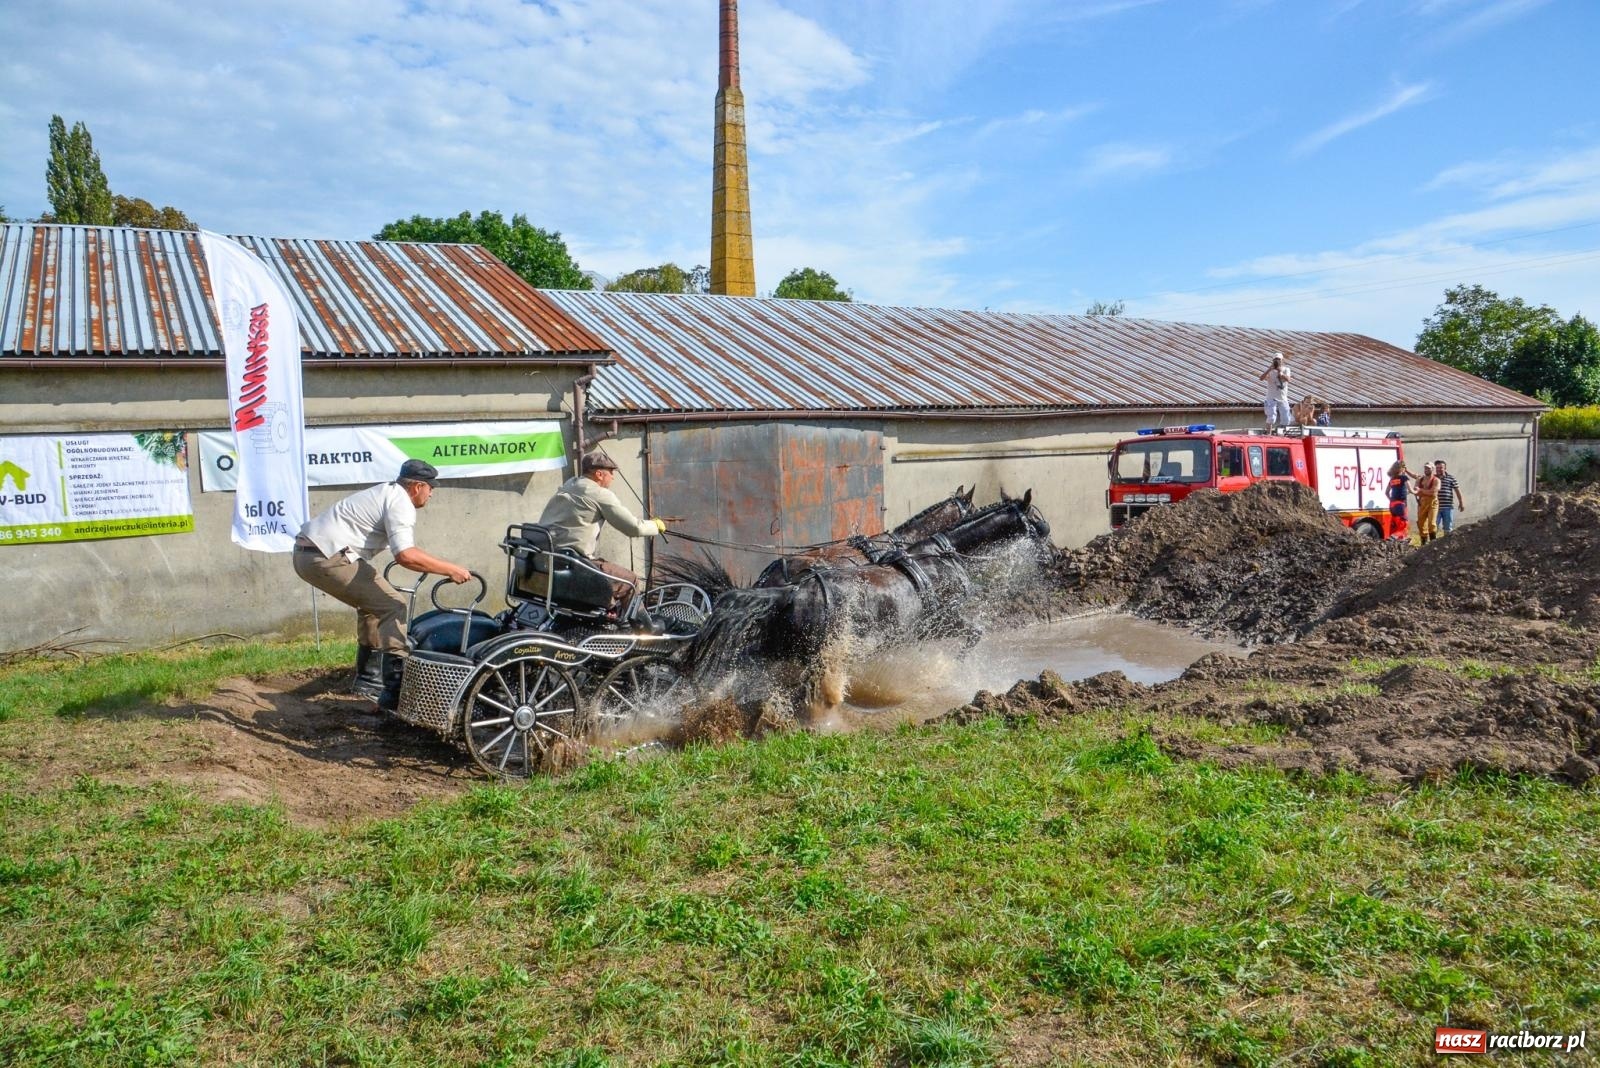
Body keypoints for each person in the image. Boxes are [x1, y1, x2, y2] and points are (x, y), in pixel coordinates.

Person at [293, 459, 472, 709]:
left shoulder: (385, 492)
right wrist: (450, 569)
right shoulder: (400, 503)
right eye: (431, 488)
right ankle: (394, 690)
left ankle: (368, 680)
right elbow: (406, 555)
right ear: (417, 486)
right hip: (326, 556)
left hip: (308, 553)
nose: (431, 494)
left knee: (374, 606)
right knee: (393, 606)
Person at [537, 450, 668, 617]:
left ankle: (609, 612)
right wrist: (655, 526)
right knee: (630, 581)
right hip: (573, 562)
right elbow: (633, 528)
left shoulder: (570, 484)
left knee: (607, 573)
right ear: (599, 474)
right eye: (611, 472)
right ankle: (642, 631)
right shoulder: (599, 494)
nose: (613, 477)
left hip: (550, 557)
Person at [1258, 353, 1293, 431]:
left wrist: (1281, 373)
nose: (1277, 361)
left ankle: (1283, 433)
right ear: (1273, 361)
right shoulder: (1270, 370)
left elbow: (1289, 379)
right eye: (1275, 359)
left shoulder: (1286, 369)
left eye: (1279, 359)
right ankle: (1268, 433)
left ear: (1282, 360)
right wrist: (1269, 369)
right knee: (1271, 417)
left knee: (1286, 418)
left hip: (1282, 398)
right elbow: (1261, 378)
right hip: (1271, 397)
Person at [1434, 458, 1465, 534]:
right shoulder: (1433, 478)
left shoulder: (1451, 478)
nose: (1438, 469)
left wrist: (1461, 503)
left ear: (1445, 468)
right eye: (1437, 468)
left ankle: (1446, 543)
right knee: (1433, 527)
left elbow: (1457, 491)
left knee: (1448, 527)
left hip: (1447, 507)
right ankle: (1433, 544)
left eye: (1441, 467)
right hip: (1435, 507)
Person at [1386, 459, 1413, 539]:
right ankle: (1394, 538)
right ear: (1402, 468)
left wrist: (1392, 500)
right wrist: (1416, 490)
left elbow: (1386, 492)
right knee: (1403, 524)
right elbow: (1411, 490)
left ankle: (1397, 541)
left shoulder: (1392, 479)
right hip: (1400, 504)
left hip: (1392, 504)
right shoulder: (1404, 478)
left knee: (1395, 524)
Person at [1414, 462, 1440, 543]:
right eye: (1425, 468)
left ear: (1432, 469)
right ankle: (1424, 543)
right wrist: (1426, 492)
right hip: (1422, 503)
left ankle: (1433, 543)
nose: (1426, 470)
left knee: (1432, 523)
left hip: (1433, 503)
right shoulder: (1420, 479)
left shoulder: (1436, 480)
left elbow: (1434, 493)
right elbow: (1416, 491)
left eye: (1428, 468)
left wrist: (1421, 490)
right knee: (1421, 523)